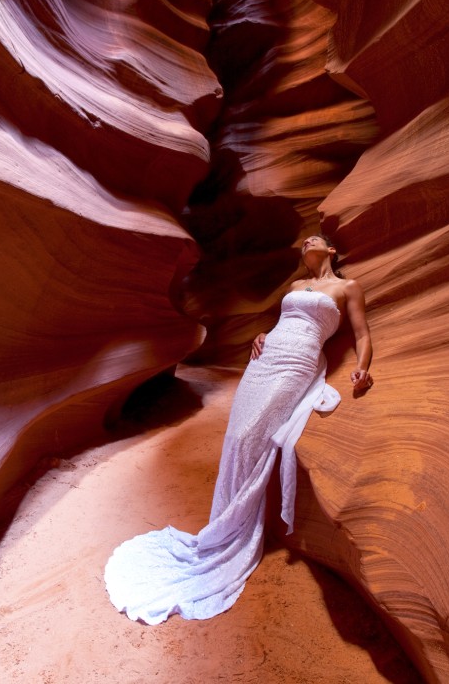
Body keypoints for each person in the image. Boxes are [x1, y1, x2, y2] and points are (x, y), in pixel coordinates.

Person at [105, 234, 373, 625]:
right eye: (304, 242)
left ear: (331, 251)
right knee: (236, 435)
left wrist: (363, 366)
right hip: (268, 355)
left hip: (298, 361)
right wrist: (262, 334)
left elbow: (363, 334)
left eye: (316, 239)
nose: (307, 242)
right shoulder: (298, 286)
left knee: (254, 437)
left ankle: (235, 526)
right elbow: (283, 321)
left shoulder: (347, 287)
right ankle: (221, 523)